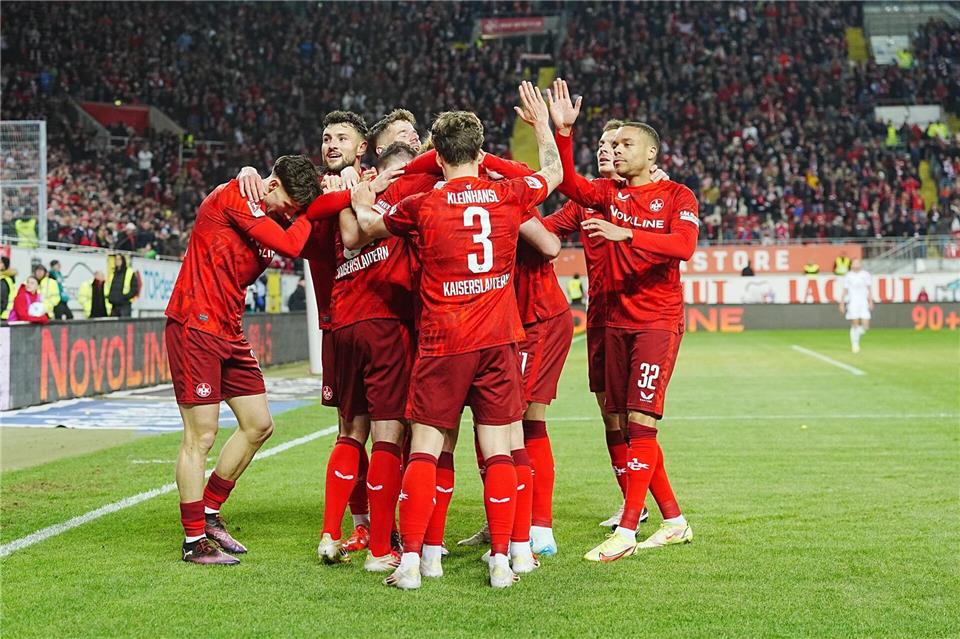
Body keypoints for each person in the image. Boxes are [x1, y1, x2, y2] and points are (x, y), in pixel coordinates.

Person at [351, 82, 562, 589]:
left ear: (436, 154)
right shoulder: (508, 194)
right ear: (481, 148)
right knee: (499, 449)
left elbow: (366, 226)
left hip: (444, 341)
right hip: (499, 339)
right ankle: (502, 561)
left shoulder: (422, 205)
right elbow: (554, 173)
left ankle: (416, 563)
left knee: (425, 447)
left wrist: (365, 194)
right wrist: (543, 127)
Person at [165, 154, 370, 565]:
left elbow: (310, 212)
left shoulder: (272, 208)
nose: (292, 216)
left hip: (228, 329)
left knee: (259, 425)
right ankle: (193, 542)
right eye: (291, 208)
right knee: (201, 436)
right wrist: (327, 205)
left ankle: (208, 513)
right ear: (272, 186)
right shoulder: (237, 194)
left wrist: (355, 192)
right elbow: (295, 243)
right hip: (195, 323)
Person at [548, 78, 695, 561]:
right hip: (607, 323)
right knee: (619, 421)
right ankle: (673, 520)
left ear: (651, 154)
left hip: (654, 320)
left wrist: (625, 233)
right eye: (610, 143)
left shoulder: (678, 196)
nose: (614, 150)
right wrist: (563, 134)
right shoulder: (605, 195)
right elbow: (569, 185)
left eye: (624, 143)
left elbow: (683, 247)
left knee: (640, 421)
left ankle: (628, 532)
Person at [839, 258, 873, 353]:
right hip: (853, 302)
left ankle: (855, 337)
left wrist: (870, 301)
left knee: (865, 326)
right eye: (854, 263)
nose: (856, 264)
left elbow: (869, 288)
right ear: (851, 264)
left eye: (858, 263)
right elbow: (845, 290)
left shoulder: (865, 275)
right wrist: (842, 303)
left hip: (863, 302)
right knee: (855, 324)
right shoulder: (848, 276)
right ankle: (855, 344)